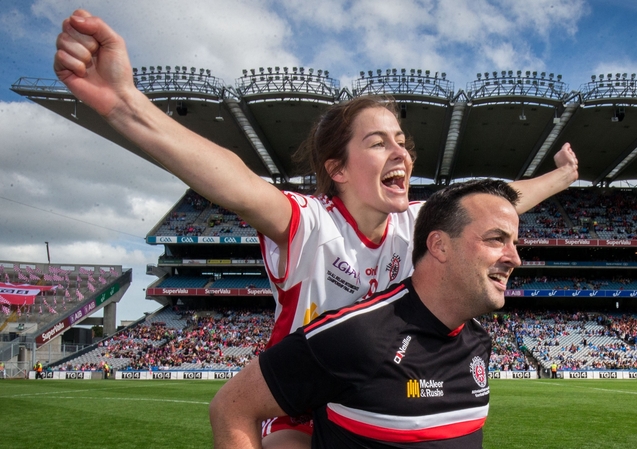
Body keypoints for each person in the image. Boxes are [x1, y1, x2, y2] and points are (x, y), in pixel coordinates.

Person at [54, 9, 578, 447]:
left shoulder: (417, 223)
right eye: (378, 142)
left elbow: (499, 202)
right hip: (298, 407)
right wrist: (124, 103)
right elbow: (231, 178)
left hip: (376, 394)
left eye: (402, 141)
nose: (401, 152)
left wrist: (561, 177)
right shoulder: (309, 224)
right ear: (338, 169)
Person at [209, 179, 522, 448]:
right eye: (497, 239)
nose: (515, 258)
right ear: (439, 245)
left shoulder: (479, 341)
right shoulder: (360, 336)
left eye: (514, 243)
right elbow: (232, 407)